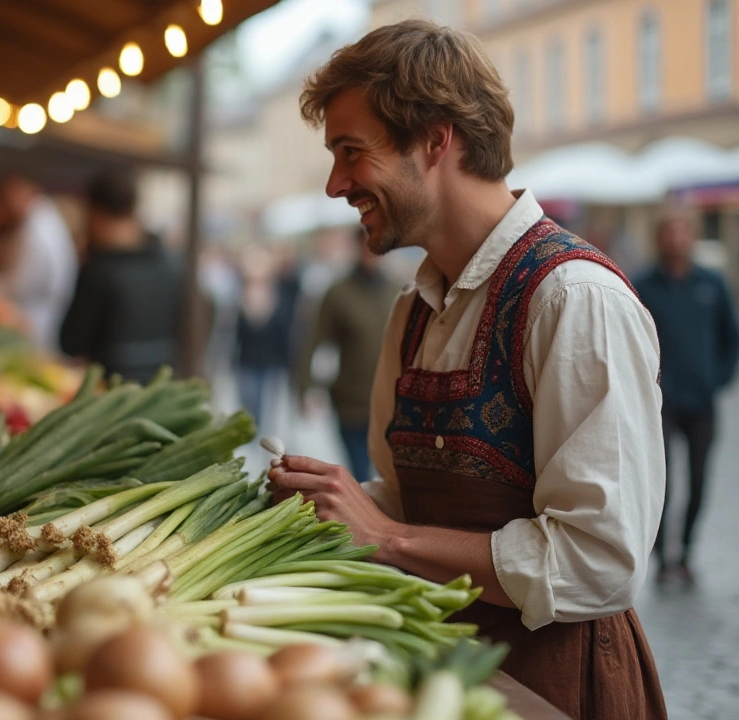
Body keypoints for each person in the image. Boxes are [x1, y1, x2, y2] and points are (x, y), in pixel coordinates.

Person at [266, 20, 666, 718]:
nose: (336, 184)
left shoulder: (574, 300)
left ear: (435, 139)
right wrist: (328, 510)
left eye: (351, 152)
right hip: (439, 670)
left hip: (555, 687)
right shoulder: (413, 307)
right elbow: (403, 500)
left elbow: (598, 564)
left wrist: (384, 536)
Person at [635, 212, 739, 585]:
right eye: (669, 233)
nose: (676, 240)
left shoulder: (711, 283)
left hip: (702, 402)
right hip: (659, 403)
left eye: (682, 233)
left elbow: (732, 335)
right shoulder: (642, 284)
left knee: (698, 481)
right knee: (661, 484)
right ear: (659, 238)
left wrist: (719, 378)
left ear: (691, 238)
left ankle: (687, 551)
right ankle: (664, 557)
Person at [295, 229, 402, 482]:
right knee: (360, 474)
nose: (371, 253)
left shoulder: (399, 291)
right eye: (366, 246)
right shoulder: (337, 292)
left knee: (390, 476)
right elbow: (312, 342)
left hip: (391, 402)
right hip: (351, 402)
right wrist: (305, 388)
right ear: (357, 248)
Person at [59, 170, 181, 383]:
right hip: (160, 389)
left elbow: (71, 343)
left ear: (95, 212)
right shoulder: (170, 263)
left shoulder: (98, 270)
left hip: (109, 394)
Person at [0, 174, 78, 354]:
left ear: (29, 191)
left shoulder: (36, 229)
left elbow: (19, 284)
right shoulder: (43, 220)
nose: (7, 203)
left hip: (36, 316)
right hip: (44, 311)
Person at [233, 246, 299, 434]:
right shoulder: (240, 295)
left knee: (267, 405)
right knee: (250, 401)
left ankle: (260, 435)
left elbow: (285, 330)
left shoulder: (280, 293)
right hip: (247, 359)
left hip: (271, 360)